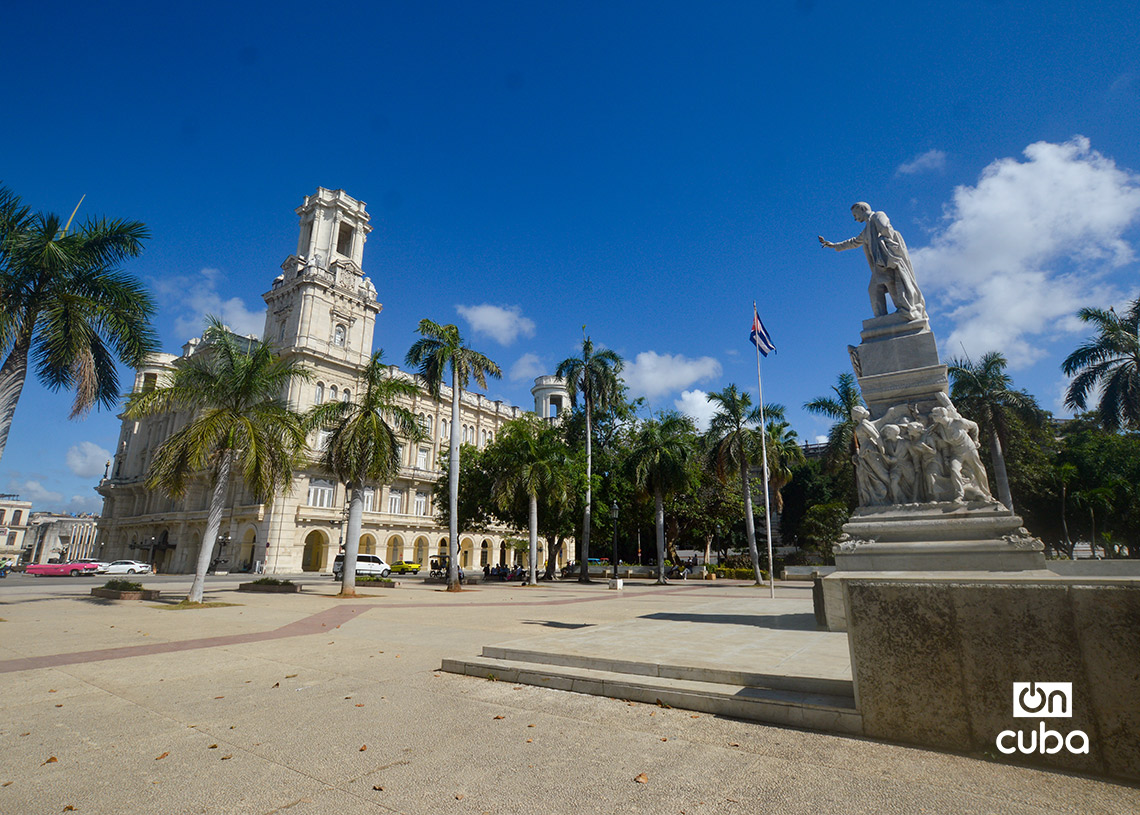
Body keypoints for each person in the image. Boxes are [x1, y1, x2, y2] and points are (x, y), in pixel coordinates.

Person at [819, 203, 927, 321]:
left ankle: (901, 312)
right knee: (878, 287)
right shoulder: (866, 230)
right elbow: (854, 242)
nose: (855, 218)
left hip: (887, 259)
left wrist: (888, 248)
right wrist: (834, 245)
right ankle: (883, 317)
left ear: (862, 209)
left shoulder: (878, 215)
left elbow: (886, 228)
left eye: (855, 214)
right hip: (880, 263)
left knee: (886, 285)